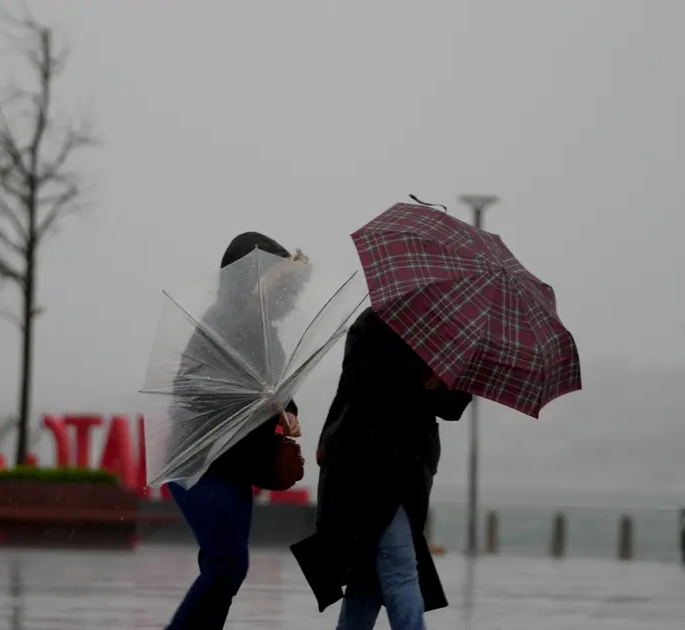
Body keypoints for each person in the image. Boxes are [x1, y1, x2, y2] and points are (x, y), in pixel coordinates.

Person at [291, 306, 472, 630]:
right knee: (400, 568)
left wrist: (444, 384)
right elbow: (365, 390)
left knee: (368, 577)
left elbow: (454, 406)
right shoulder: (374, 323)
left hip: (412, 471)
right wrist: (421, 383)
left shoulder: (447, 335)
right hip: (367, 467)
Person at [164, 232, 307, 630]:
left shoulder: (267, 332)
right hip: (202, 462)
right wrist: (256, 399)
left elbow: (278, 389)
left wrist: (287, 411)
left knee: (224, 570)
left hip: (237, 465)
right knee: (227, 566)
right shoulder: (221, 323)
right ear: (249, 277)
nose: (285, 295)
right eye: (273, 279)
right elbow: (191, 386)